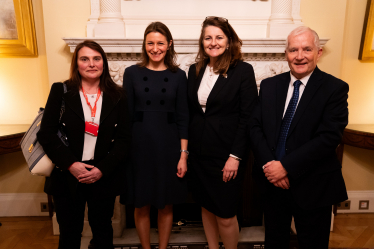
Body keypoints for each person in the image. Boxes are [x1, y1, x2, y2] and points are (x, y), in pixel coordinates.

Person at [249, 26, 349, 249]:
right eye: (293, 50)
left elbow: (329, 137)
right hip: (273, 184)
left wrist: (285, 166)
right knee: (275, 242)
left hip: (313, 185)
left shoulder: (335, 89)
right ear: (286, 54)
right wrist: (271, 167)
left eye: (307, 49)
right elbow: (255, 127)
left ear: (319, 52)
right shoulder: (269, 86)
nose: (300, 56)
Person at [37, 40, 131, 249]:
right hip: (67, 175)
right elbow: (47, 134)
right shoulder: (60, 91)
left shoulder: (118, 95)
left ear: (104, 63)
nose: (91, 64)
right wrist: (72, 164)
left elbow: (125, 138)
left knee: (103, 232)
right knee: (69, 234)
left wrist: (101, 170)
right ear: (76, 63)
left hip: (102, 175)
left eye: (96, 58)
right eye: (84, 59)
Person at [187, 16, 258, 249]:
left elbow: (248, 117)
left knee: (226, 214)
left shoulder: (243, 71)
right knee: (206, 207)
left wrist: (235, 157)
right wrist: (185, 152)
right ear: (202, 42)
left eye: (219, 37)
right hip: (199, 154)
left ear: (229, 42)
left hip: (226, 156)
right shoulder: (194, 71)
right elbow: (193, 113)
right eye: (208, 38)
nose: (213, 42)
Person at [122, 22, 189, 249]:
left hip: (168, 147)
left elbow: (183, 117)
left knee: (165, 203)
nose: (155, 48)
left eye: (160, 43)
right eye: (150, 43)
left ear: (169, 45)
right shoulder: (131, 73)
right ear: (144, 45)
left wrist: (183, 155)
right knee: (141, 204)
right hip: (139, 146)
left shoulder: (179, 76)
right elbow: (126, 116)